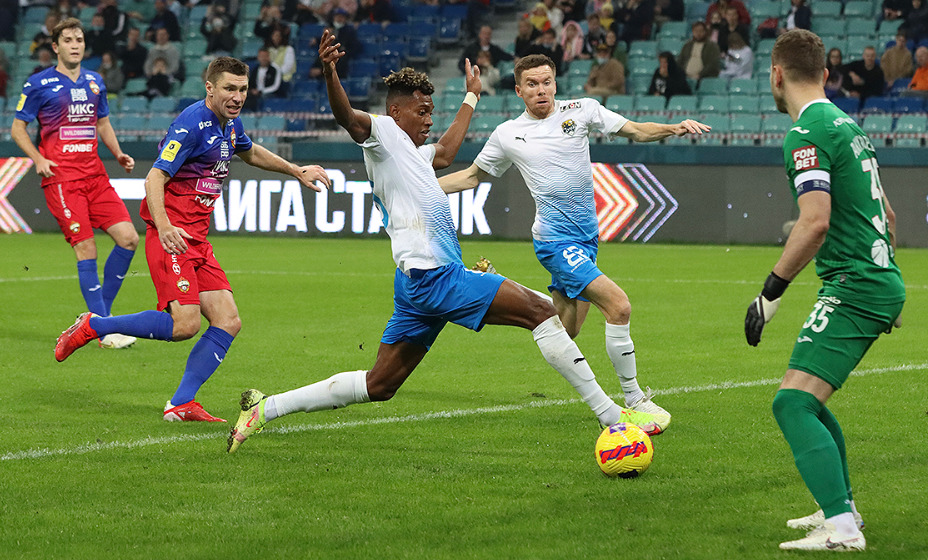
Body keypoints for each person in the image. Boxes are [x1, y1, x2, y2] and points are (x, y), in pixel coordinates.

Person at [227, 34, 665, 453]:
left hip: (416, 284)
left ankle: (265, 408)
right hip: (436, 278)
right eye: (422, 112)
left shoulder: (415, 153)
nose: (429, 119)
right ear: (396, 112)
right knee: (542, 313)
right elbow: (348, 118)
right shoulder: (382, 134)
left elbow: (448, 153)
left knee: (380, 384)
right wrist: (329, 73)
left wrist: (470, 98)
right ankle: (612, 416)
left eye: (431, 111)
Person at [437, 54, 711, 434]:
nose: (541, 90)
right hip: (554, 240)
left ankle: (508, 293)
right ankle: (635, 401)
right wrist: (418, 189)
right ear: (518, 91)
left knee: (565, 330)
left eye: (546, 82)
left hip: (586, 239)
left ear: (555, 84)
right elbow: (470, 177)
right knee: (618, 306)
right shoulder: (507, 134)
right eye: (532, 84)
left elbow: (635, 130)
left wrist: (674, 127)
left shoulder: (582, 110)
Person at [54, 55, 330, 423]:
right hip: (172, 237)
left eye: (243, 89)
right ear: (210, 88)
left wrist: (295, 170)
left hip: (197, 240)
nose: (237, 96)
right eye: (229, 88)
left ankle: (181, 404)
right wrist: (165, 226)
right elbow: (154, 178)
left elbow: (250, 151)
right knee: (184, 325)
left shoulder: (230, 124)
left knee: (228, 320)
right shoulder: (192, 124)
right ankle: (94, 325)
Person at [746, 28, 904, 552]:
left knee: (792, 404)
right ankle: (842, 506)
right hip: (873, 278)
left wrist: (771, 291)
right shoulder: (847, 124)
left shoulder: (806, 132)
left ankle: (842, 529)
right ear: (826, 74)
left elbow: (814, 222)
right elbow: (888, 214)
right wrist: (889, 279)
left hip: (856, 284)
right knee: (806, 399)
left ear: (776, 74)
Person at [12, 18, 139, 351]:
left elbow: (103, 122)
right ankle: (105, 330)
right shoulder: (38, 83)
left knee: (128, 239)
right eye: (67, 40)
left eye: (79, 40)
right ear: (56, 47)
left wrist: (118, 153)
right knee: (87, 249)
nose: (74, 45)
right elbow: (17, 128)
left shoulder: (95, 82)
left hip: (95, 175)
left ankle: (99, 321)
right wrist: (38, 158)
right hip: (62, 179)